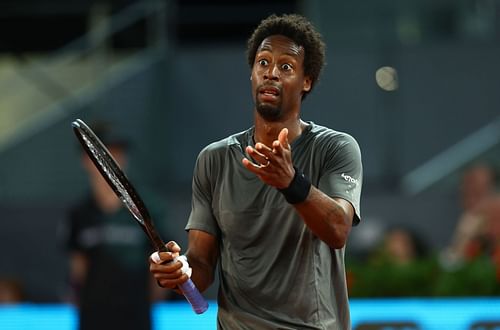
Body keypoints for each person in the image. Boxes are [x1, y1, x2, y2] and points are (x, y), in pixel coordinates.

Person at [150, 14, 363, 330]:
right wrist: (180, 270)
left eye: (286, 66)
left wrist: (292, 183)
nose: (271, 74)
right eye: (263, 63)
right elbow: (203, 263)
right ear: (251, 74)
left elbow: (337, 229)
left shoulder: (336, 148)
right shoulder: (214, 160)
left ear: (307, 81)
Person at [60, 122, 171, 330]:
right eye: (103, 155)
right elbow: (77, 270)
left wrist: (148, 304)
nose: (112, 161)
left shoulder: (149, 208)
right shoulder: (79, 213)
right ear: (87, 158)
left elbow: (162, 266)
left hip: (136, 319)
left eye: (118, 153)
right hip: (92, 319)